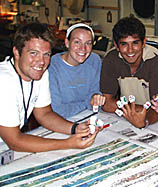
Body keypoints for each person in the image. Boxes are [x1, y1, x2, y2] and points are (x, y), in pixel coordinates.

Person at [0, 23, 100, 152]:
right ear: (17, 52)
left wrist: (74, 128)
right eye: (33, 53)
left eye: (46, 54)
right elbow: (15, 142)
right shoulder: (4, 80)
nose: (41, 61)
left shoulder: (41, 72)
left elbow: (44, 114)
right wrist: (67, 143)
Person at [100, 17, 158, 128]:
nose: (130, 50)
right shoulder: (111, 59)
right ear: (116, 46)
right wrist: (138, 111)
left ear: (144, 43)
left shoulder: (156, 61)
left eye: (135, 43)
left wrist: (144, 121)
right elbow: (107, 104)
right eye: (124, 44)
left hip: (151, 120)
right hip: (122, 116)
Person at [49, 23, 105, 119]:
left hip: (86, 117)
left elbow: (96, 98)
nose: (83, 48)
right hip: (60, 121)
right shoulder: (52, 66)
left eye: (88, 43)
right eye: (77, 42)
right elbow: (57, 110)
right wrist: (87, 103)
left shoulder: (94, 60)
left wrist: (95, 99)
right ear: (67, 43)